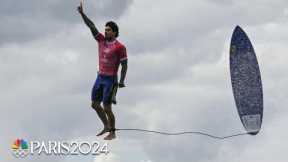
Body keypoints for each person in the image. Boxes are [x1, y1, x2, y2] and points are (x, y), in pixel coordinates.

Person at [77, 1, 128, 140]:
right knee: (94, 104)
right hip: (100, 77)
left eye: (108, 30)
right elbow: (91, 26)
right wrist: (83, 14)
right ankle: (106, 125)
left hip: (111, 80)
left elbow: (125, 65)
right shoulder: (101, 40)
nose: (105, 31)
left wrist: (122, 81)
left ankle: (113, 132)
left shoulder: (120, 47)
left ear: (115, 32)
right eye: (105, 29)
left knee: (107, 108)